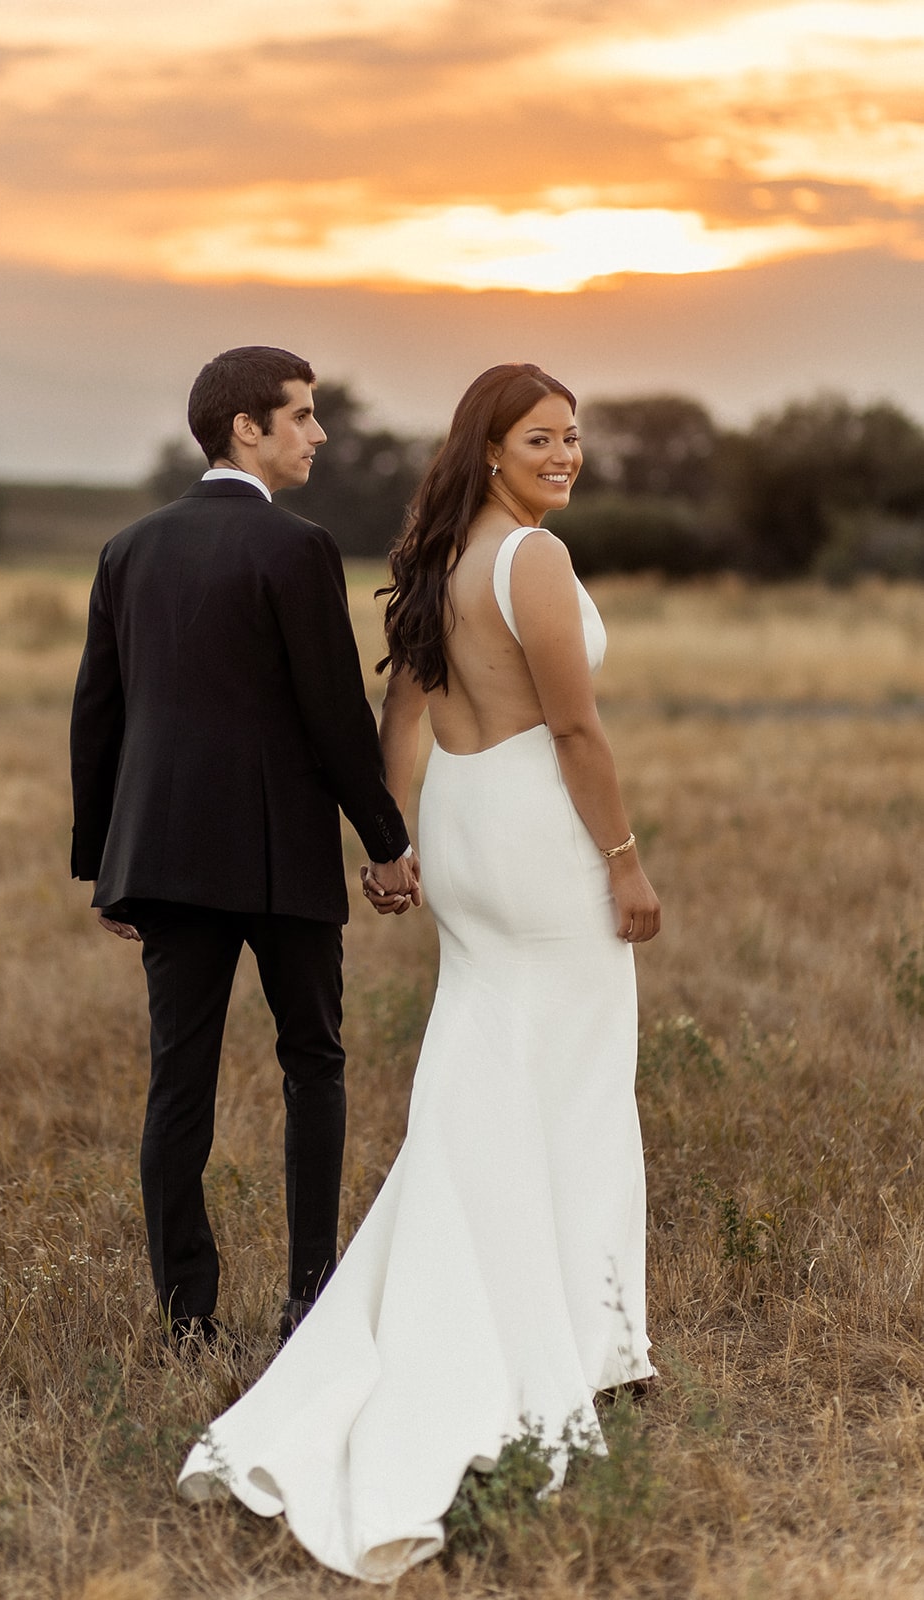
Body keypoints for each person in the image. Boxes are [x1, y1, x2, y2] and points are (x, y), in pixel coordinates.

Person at [177, 362, 661, 1581]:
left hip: (464, 831)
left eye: (574, 434)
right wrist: (624, 860)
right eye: (542, 437)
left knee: (485, 1056)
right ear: (489, 449)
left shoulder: (444, 560)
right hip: (540, 836)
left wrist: (393, 841)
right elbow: (577, 729)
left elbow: (402, 708)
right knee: (582, 1073)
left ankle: (534, 1303)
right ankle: (589, 1338)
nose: (566, 453)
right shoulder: (532, 562)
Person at [69, 345, 418, 1350]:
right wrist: (387, 841)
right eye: (300, 417)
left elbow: (98, 715)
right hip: (276, 860)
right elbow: (332, 717)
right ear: (244, 429)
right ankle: (310, 1297)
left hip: (164, 858)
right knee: (313, 1061)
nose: (317, 434)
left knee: (177, 1080)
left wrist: (107, 865)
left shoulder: (128, 547)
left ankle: (187, 1318)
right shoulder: (295, 548)